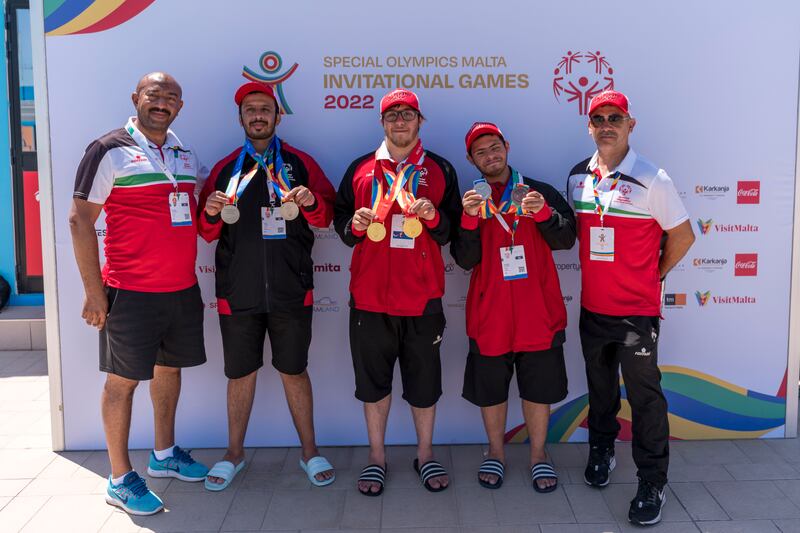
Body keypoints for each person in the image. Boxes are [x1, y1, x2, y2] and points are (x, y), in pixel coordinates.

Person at [69, 72, 209, 516]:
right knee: (122, 383)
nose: (162, 102)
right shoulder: (107, 149)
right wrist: (94, 293)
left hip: (182, 288)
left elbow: (204, 198)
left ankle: (164, 455)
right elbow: (79, 220)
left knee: (168, 371)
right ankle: (118, 478)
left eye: (171, 97)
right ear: (136, 99)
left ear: (180, 107)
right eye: (154, 94)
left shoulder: (184, 152)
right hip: (129, 292)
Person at [198, 81, 337, 490]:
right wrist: (208, 210)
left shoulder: (300, 162)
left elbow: (326, 217)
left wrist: (311, 202)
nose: (258, 116)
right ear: (240, 118)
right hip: (237, 293)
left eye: (265, 109)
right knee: (240, 374)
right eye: (250, 110)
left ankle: (309, 452)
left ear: (278, 116)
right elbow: (207, 233)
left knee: (294, 371)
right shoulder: (226, 168)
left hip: (292, 290)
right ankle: (234, 454)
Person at [567, 90, 695, 526]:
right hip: (592, 308)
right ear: (589, 125)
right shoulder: (577, 177)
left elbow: (683, 236)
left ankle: (652, 480)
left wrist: (653, 276)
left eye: (615, 117)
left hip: (636, 313)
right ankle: (602, 452)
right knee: (600, 390)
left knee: (644, 398)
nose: (607, 124)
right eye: (598, 117)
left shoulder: (652, 178)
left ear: (630, 124)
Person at [334, 89, 461, 496]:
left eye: (407, 115)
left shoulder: (439, 169)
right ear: (382, 124)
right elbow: (342, 229)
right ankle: (377, 457)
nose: (400, 122)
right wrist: (354, 222)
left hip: (422, 299)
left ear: (420, 121)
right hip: (369, 299)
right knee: (373, 385)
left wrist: (434, 216)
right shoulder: (360, 168)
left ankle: (425, 454)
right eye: (392, 116)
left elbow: (454, 232)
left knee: (423, 385)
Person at [451, 122, 576, 493]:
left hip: (539, 312)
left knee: (538, 389)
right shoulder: (471, 199)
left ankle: (539, 455)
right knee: (491, 390)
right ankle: (496, 452)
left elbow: (568, 239)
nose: (490, 156)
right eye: (481, 152)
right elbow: (463, 258)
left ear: (507, 146)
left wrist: (542, 215)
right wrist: (469, 219)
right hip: (490, 316)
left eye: (495, 147)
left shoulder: (539, 191)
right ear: (471, 160)